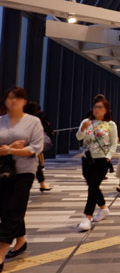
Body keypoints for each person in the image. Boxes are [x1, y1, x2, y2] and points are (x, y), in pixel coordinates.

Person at [0, 88, 44, 267]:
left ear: (24, 101)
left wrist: (11, 150)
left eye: (17, 98)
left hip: (25, 171)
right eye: (9, 98)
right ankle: (21, 240)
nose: (13, 101)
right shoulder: (1, 121)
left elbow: (36, 148)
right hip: (3, 171)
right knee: (6, 208)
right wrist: (9, 147)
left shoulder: (33, 122)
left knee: (14, 208)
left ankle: (1, 251)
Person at [76, 96, 118, 232]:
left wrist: (108, 157)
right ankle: (104, 208)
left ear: (106, 110)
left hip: (101, 160)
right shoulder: (86, 122)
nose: (96, 109)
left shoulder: (111, 125)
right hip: (87, 159)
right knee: (92, 186)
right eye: (95, 107)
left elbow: (113, 143)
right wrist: (82, 128)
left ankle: (87, 217)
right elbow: (78, 137)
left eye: (100, 107)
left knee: (93, 187)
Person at [23, 102, 53, 192]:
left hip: (22, 146)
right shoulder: (39, 118)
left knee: (35, 164)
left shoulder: (21, 119)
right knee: (36, 163)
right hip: (33, 145)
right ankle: (42, 184)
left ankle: (42, 183)